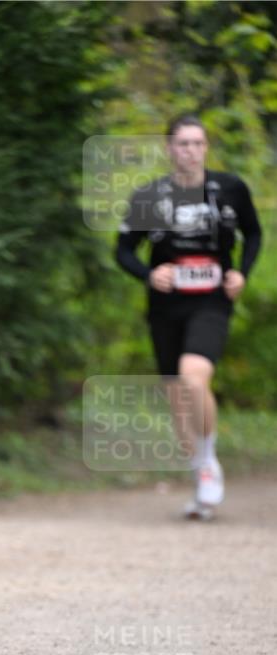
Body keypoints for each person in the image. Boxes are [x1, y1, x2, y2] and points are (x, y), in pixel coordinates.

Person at [115, 114, 261, 518]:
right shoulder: (150, 196)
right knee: (177, 399)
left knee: (193, 376)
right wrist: (149, 274)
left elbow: (254, 233)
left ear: (206, 148)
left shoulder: (230, 189)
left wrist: (242, 273)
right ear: (170, 148)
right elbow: (123, 250)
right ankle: (200, 476)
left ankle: (209, 460)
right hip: (166, 306)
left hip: (212, 300)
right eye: (183, 144)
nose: (191, 151)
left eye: (198, 143)